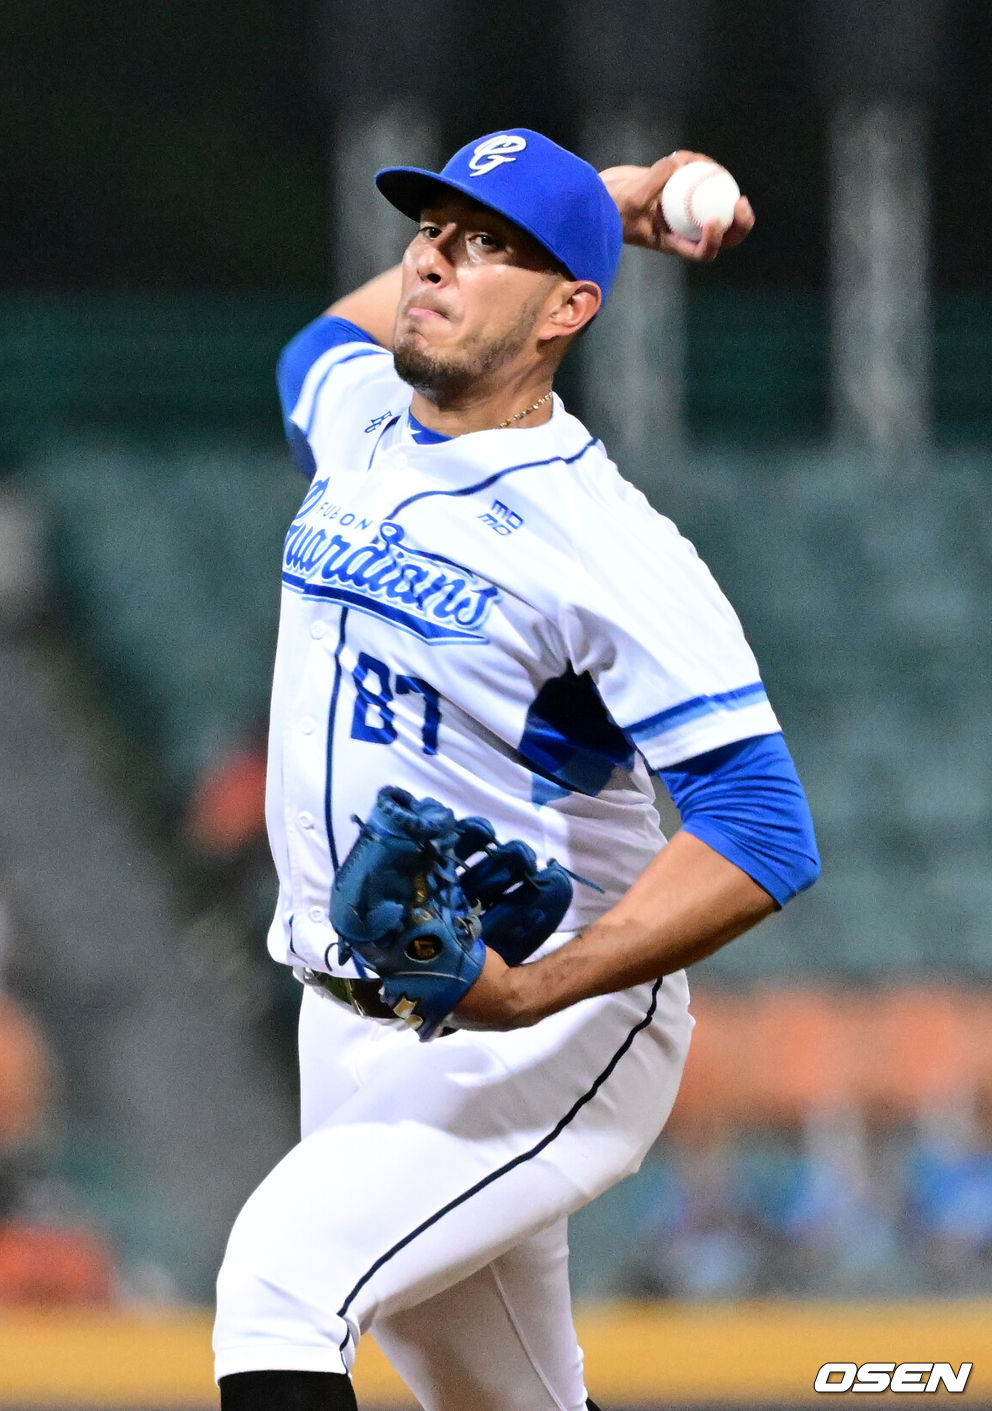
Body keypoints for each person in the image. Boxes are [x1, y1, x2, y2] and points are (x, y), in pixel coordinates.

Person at [213, 129, 820, 1411]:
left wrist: (542, 989)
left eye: (486, 243)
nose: (432, 260)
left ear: (570, 309)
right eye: (429, 230)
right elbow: (310, 348)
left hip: (546, 1020)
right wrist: (597, 199)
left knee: (279, 1286)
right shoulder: (367, 420)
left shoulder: (608, 544)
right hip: (357, 1012)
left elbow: (762, 824)